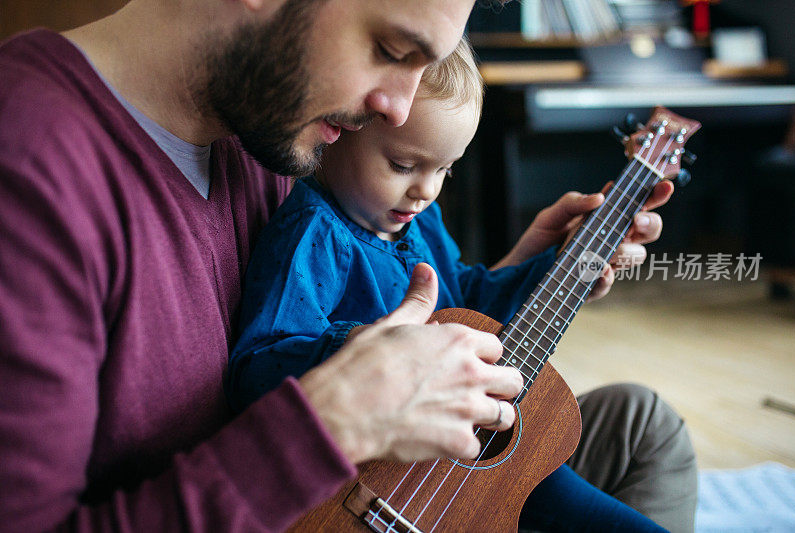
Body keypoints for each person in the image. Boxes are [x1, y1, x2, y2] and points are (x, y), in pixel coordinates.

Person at [0, 0, 694, 531]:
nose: (395, 107)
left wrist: (535, 263)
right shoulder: (31, 168)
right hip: (328, 501)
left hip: (396, 475)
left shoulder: (274, 129)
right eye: (391, 48)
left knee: (641, 423)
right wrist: (335, 415)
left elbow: (411, 286)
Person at [226, 36, 672, 532]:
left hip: (471, 446)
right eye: (403, 165)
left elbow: (470, 306)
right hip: (369, 479)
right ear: (339, 129)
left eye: (445, 169)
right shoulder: (313, 233)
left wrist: (563, 263)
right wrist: (360, 349)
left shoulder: (417, 219)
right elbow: (259, 365)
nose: (427, 190)